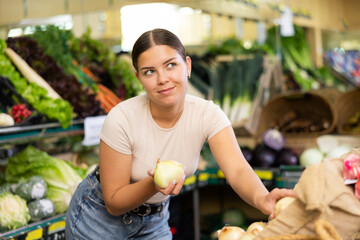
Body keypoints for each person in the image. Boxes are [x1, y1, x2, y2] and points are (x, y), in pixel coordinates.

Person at [65, 28, 296, 239]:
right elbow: (114, 202)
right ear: (139, 79)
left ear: (187, 65)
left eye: (171, 65)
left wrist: (263, 199)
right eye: (149, 72)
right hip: (98, 220)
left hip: (154, 219)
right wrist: (154, 184)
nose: (163, 79)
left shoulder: (207, 114)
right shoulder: (122, 119)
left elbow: (237, 170)